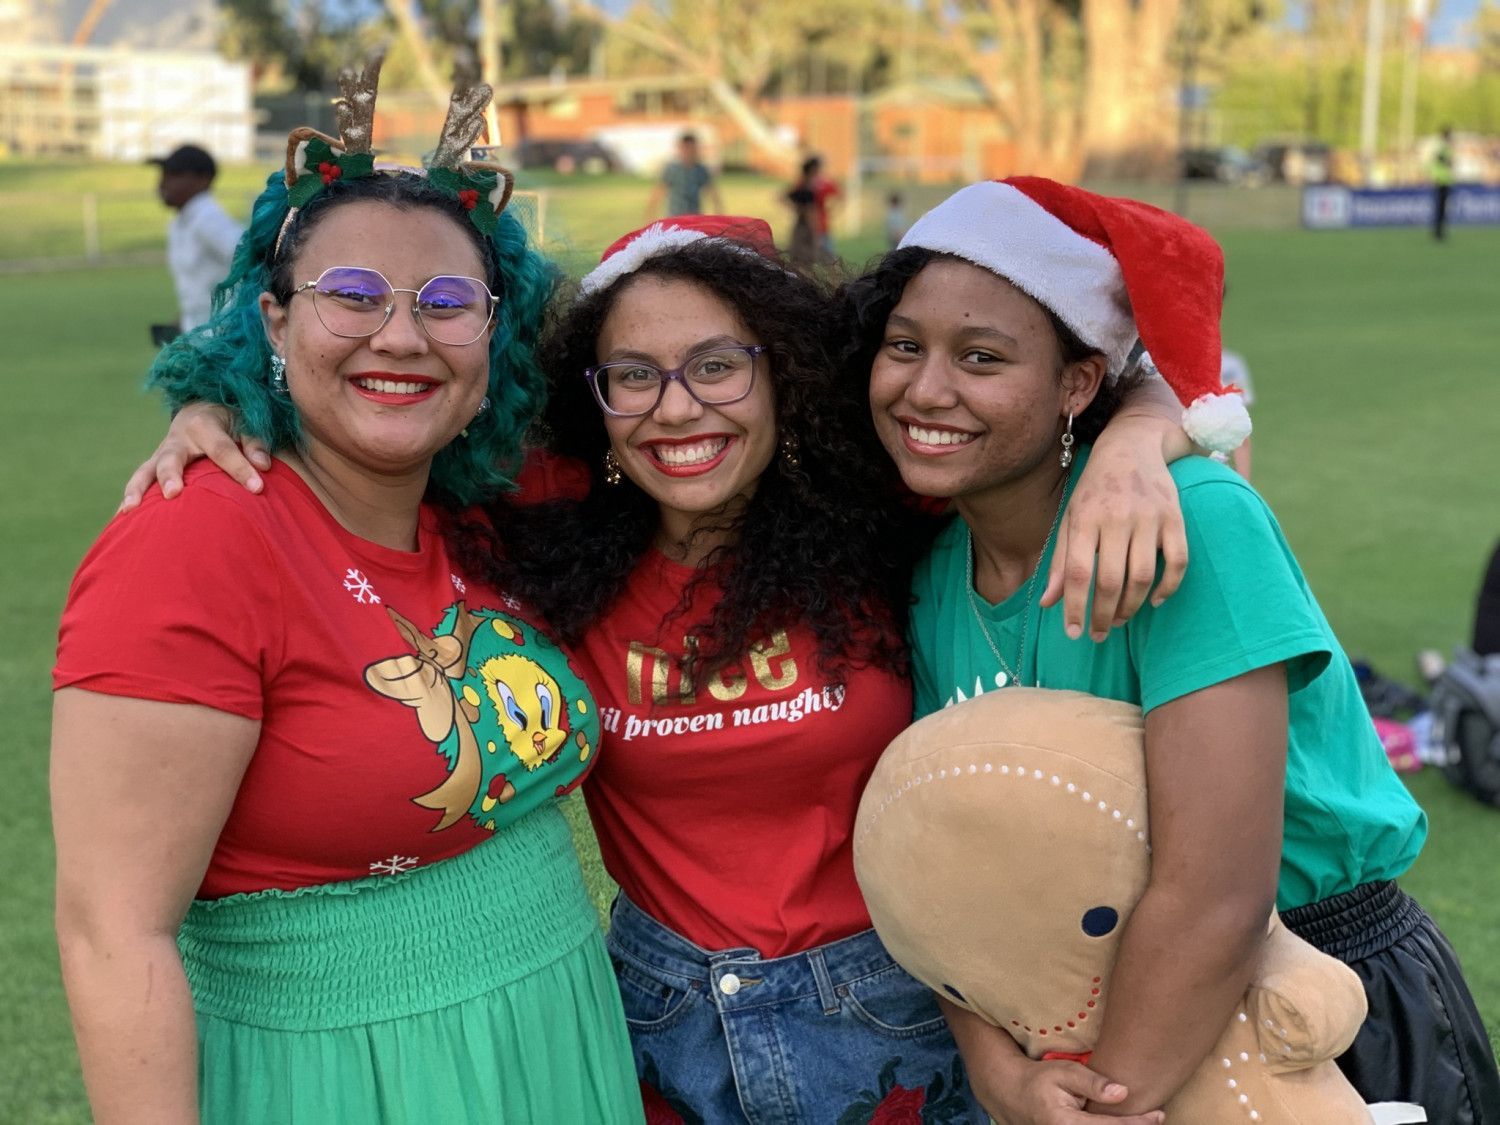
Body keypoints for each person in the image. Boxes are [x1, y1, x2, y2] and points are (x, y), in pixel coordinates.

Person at [120, 210, 1198, 1123]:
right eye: (634, 375)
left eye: (720, 365)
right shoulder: (551, 534)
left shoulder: (885, 515)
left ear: (790, 377)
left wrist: (1140, 435)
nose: (677, 408)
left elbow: (1071, 388)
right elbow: (376, 393)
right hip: (653, 1032)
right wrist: (214, 403)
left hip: (896, 1021)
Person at [53, 77, 643, 1124]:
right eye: (353, 294)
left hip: (554, 1031)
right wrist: (207, 388)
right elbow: (112, 931)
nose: (403, 336)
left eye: (447, 302)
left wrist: (1049, 485)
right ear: (272, 318)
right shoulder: (198, 538)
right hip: (347, 1077)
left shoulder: (487, 502)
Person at [849, 177, 1500, 1124]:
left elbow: (1217, 895)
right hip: (1072, 1025)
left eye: (982, 357)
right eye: (904, 346)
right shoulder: (931, 571)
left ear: (1079, 382)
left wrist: (1108, 1101)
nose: (926, 386)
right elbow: (944, 857)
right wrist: (1003, 1074)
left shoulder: (1195, 523)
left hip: (1313, 1003)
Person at [150, 143, 244, 335]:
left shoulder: (208, 220)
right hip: (200, 336)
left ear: (203, 179)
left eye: (174, 174)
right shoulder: (182, 222)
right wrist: (182, 321)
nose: (162, 183)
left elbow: (252, 259)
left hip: (224, 337)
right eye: (164, 175)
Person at [646, 132, 724, 220]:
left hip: (695, 218)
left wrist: (719, 216)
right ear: (681, 149)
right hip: (674, 218)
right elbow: (658, 192)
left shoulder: (701, 170)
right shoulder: (672, 170)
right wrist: (650, 215)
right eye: (686, 148)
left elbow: (713, 194)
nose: (689, 152)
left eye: (692, 149)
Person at [788, 155, 840, 262]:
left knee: (808, 260)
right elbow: (809, 211)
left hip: (809, 227)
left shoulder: (813, 184)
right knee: (823, 260)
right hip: (813, 227)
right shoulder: (808, 187)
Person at [1431, 127, 1455, 241]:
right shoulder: (1443, 147)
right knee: (1441, 208)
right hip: (1442, 181)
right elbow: (1445, 162)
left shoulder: (1443, 147)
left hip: (1443, 180)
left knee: (1441, 208)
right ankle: (1439, 232)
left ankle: (1439, 231)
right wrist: (1448, 162)